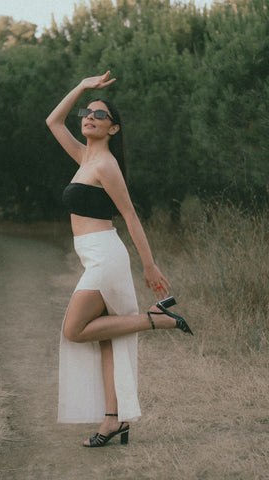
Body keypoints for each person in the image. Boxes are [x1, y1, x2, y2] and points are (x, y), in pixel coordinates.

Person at [46, 71, 193, 448]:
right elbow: (53, 121)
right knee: (108, 339)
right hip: (94, 256)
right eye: (87, 112)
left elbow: (129, 215)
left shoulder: (106, 165)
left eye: (100, 114)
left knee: (74, 330)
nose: (90, 116)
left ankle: (153, 319)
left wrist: (149, 264)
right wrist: (81, 86)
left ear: (113, 129)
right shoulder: (83, 158)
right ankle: (113, 420)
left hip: (105, 258)